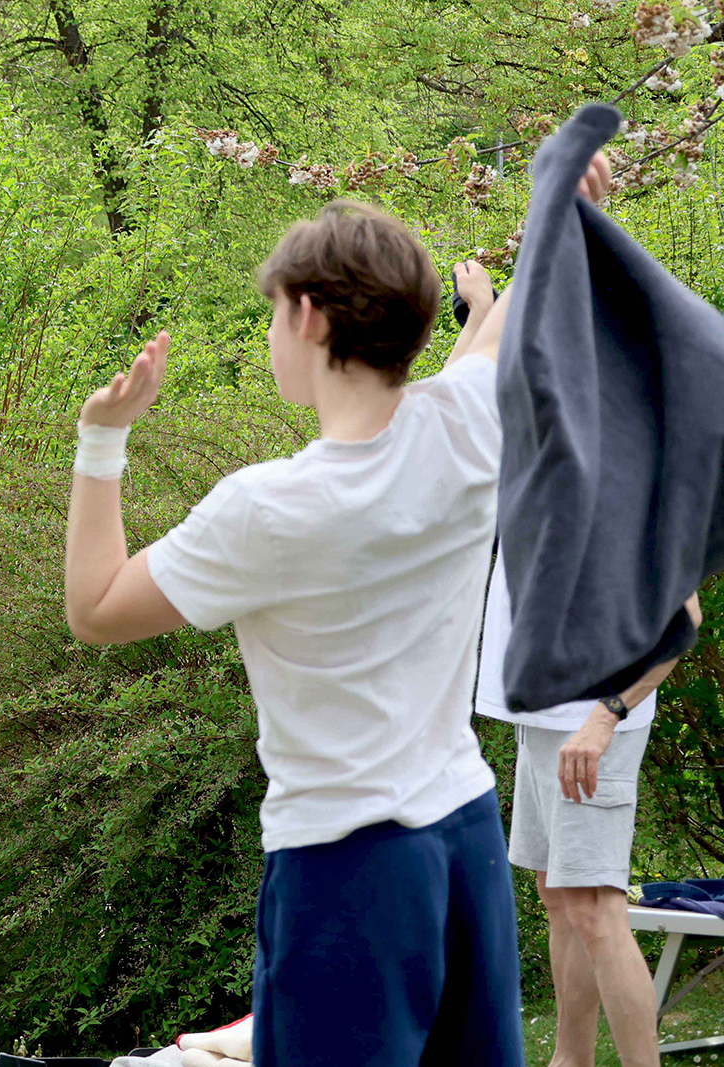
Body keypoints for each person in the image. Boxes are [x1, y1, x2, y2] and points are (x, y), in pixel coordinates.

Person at [62, 154, 615, 1065]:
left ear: (310, 316)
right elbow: (504, 331)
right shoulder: (472, 424)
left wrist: (103, 435)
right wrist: (562, 218)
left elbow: (94, 607)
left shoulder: (265, 509)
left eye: (274, 312)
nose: (272, 332)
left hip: (348, 866)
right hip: (465, 837)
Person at [460, 265, 702, 1067]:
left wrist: (604, 717)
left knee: (597, 905)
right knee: (561, 898)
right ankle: (570, 1060)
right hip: (545, 717)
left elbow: (683, 620)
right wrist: (486, 312)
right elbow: (447, 413)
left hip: (593, 722)